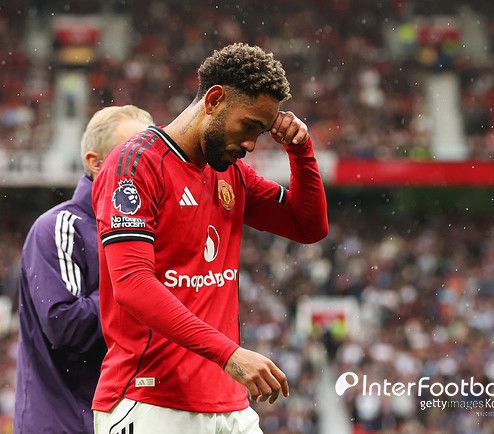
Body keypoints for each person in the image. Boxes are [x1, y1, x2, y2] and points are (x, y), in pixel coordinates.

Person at [91, 43, 329, 434]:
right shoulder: (135, 164)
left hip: (229, 403)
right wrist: (230, 354)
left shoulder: (230, 173)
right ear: (214, 100)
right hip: (151, 400)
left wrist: (300, 151)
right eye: (248, 127)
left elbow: (308, 226)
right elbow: (132, 285)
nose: (251, 145)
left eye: (260, 133)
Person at [14, 105, 154, 434]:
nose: (146, 167)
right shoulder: (59, 227)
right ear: (95, 163)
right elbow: (65, 326)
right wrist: (135, 283)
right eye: (131, 155)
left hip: (130, 418)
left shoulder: (153, 229)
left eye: (151, 156)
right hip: (66, 422)